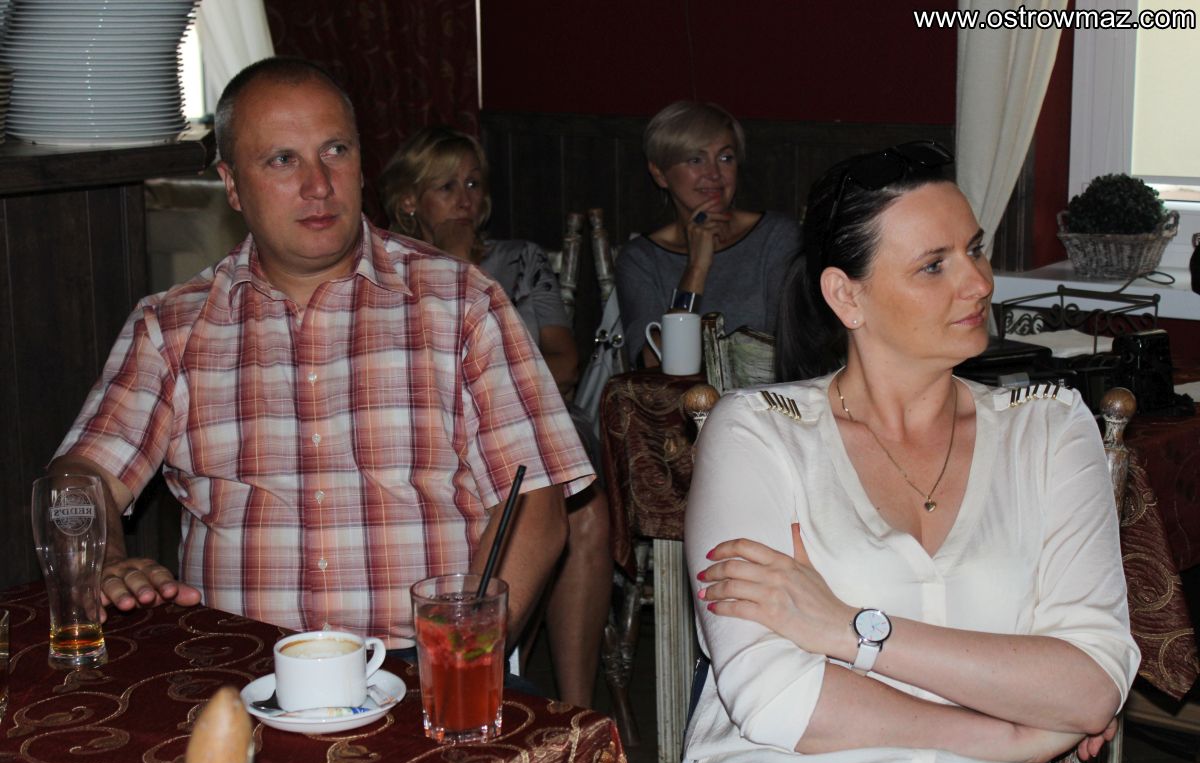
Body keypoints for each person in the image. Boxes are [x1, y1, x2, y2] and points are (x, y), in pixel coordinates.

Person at [47, 57, 594, 657]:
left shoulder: (462, 301)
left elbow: (535, 505)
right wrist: (103, 558)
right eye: (282, 160)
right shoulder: (172, 327)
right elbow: (79, 480)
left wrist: (463, 658)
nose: (319, 185)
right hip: (241, 666)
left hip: (419, 663)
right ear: (232, 184)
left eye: (335, 151)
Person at [680, 142, 1140, 763]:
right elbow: (772, 696)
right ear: (847, 296)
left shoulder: (1049, 430)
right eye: (933, 265)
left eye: (975, 250)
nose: (979, 283)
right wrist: (1013, 733)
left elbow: (1090, 686)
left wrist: (849, 630)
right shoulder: (760, 433)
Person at [378, 126, 611, 709]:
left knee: (581, 507)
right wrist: (449, 263)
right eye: (446, 186)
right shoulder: (386, 273)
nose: (465, 198)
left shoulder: (521, 260)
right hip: (429, 430)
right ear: (409, 200)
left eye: (473, 184)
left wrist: (466, 270)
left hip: (538, 418)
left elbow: (564, 359)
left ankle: (576, 705)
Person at [616, 100, 802, 367]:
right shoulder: (641, 259)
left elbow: (789, 349)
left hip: (763, 392)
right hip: (681, 395)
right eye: (696, 159)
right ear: (660, 174)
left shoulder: (776, 237)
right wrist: (696, 270)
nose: (714, 174)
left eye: (726, 158)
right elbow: (652, 362)